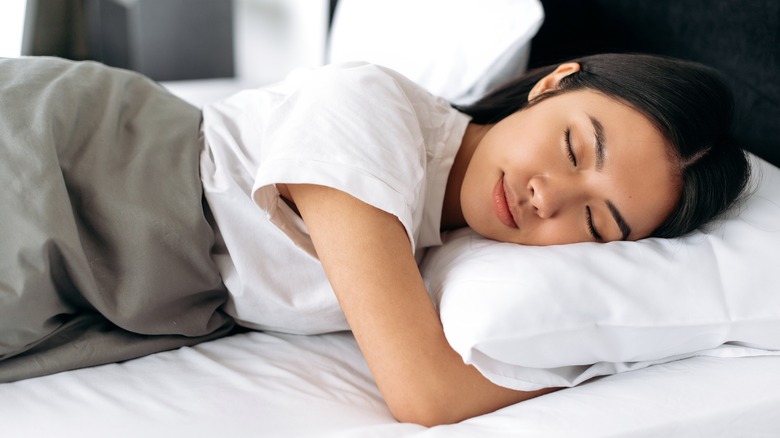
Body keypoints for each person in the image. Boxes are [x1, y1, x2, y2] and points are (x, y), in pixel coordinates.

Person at [0, 53, 749, 425]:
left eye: (594, 222)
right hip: (79, 167)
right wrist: (613, 356)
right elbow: (422, 391)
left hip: (137, 283)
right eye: (576, 148)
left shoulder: (445, 250)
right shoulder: (372, 113)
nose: (547, 195)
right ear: (554, 83)